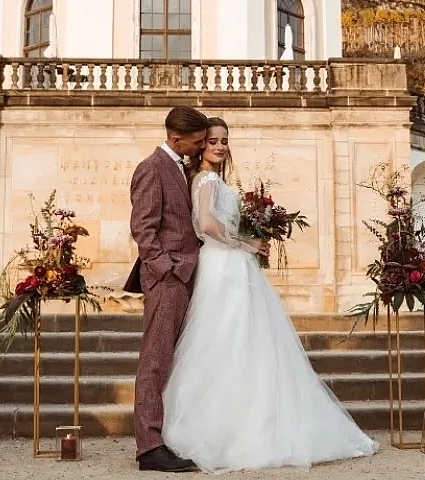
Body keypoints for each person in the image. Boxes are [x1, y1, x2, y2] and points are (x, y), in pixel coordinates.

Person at [161, 117, 380, 475]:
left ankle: (253, 423)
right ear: (201, 145)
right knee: (225, 340)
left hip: (232, 263)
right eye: (213, 141)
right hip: (223, 265)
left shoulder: (216, 181)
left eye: (224, 141)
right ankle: (226, 429)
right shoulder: (207, 180)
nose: (219, 146)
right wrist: (248, 242)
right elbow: (208, 226)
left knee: (249, 341)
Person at [125, 105, 208, 473]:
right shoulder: (151, 168)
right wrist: (167, 270)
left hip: (189, 274)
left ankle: (168, 434)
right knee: (155, 361)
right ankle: (149, 448)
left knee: (175, 360)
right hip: (168, 279)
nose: (201, 146)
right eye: (198, 141)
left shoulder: (184, 168)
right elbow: (143, 229)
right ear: (176, 138)